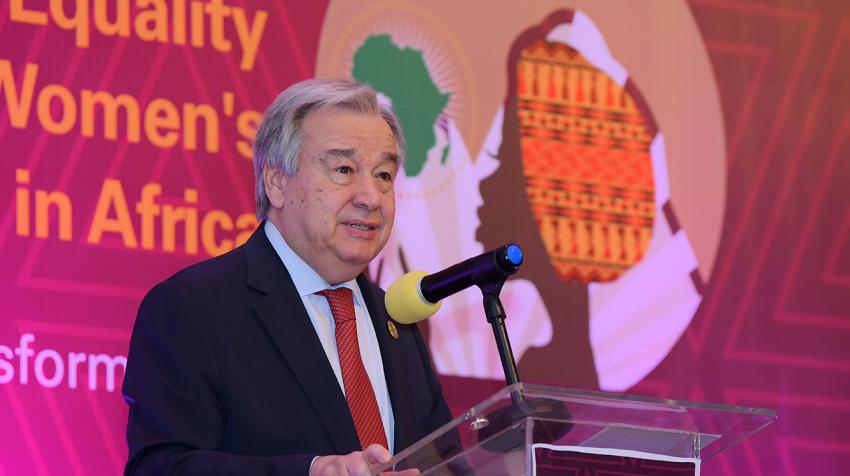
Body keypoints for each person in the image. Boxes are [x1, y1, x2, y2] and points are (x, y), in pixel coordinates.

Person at [122, 79, 452, 476]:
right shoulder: (193, 308)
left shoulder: (395, 319)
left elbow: (445, 462)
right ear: (277, 182)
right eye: (344, 169)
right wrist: (311, 473)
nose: (371, 196)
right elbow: (161, 468)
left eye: (383, 175)